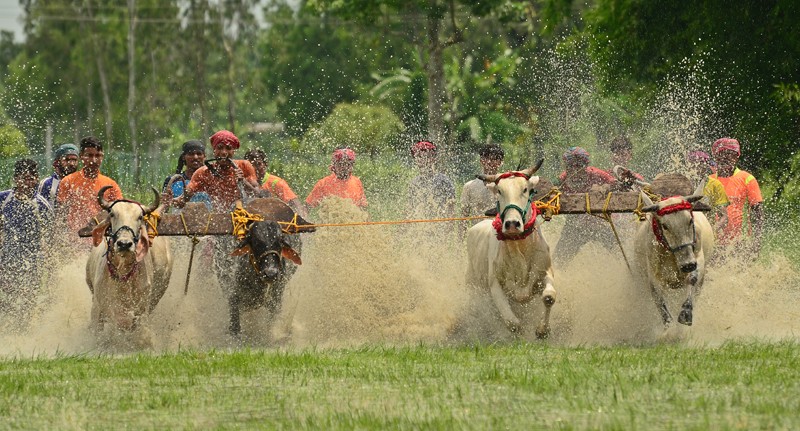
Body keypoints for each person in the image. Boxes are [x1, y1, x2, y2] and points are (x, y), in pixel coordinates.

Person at [0, 159, 53, 330]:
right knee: (7, 294)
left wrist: (49, 254)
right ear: (16, 179)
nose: (27, 183)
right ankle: (7, 326)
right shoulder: (4, 198)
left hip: (33, 258)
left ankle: (24, 328)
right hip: (7, 256)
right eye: (23, 178)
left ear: (37, 179)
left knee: (29, 295)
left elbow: (50, 232)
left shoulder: (41, 204)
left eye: (31, 178)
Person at [553, 146, 621, 267]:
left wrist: (604, 187)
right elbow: (550, 189)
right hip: (575, 227)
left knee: (621, 255)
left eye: (578, 166)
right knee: (557, 262)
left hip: (601, 224)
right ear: (566, 166)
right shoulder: (562, 179)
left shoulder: (596, 174)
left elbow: (616, 183)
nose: (575, 170)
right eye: (571, 166)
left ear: (586, 165)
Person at [178, 130, 260, 212]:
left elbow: (258, 195)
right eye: (220, 148)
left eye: (228, 148)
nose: (224, 152)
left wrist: (243, 181)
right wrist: (170, 200)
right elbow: (182, 201)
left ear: (234, 151)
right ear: (214, 150)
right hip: (217, 218)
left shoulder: (244, 166)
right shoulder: (203, 172)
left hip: (243, 216)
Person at [56, 136, 123, 233]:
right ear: (81, 156)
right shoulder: (68, 181)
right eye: (89, 155)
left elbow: (119, 211)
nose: (94, 160)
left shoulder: (110, 184)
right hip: (75, 237)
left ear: (102, 156)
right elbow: (61, 214)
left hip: (102, 238)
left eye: (98, 155)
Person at [709, 138, 764, 255]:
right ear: (716, 157)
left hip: (739, 243)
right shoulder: (710, 181)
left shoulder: (747, 178)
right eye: (722, 155)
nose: (727, 158)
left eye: (731, 155)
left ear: (737, 157)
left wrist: (756, 241)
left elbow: (757, 212)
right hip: (712, 243)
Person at [244, 148, 308, 218]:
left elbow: (295, 204)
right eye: (251, 165)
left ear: (265, 164)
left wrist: (302, 218)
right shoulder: (243, 183)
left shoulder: (277, 183)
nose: (255, 168)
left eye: (258, 164)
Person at [406, 140, 456, 219]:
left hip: (440, 225)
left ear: (433, 158)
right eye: (419, 156)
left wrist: (448, 229)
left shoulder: (444, 181)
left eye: (427, 156)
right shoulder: (414, 183)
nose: (423, 159)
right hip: (420, 226)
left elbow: (451, 210)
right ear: (415, 159)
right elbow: (409, 210)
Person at [460, 143, 503, 233]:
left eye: (493, 159)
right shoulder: (469, 187)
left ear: (500, 162)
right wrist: (460, 242)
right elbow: (463, 218)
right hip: (478, 235)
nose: (489, 162)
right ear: (481, 160)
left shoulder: (506, 186)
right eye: (486, 158)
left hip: (500, 235)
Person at [686, 150, 729, 237]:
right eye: (693, 163)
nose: (696, 167)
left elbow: (724, 217)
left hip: (707, 235)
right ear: (688, 166)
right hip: (686, 236)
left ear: (706, 166)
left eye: (700, 164)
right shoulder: (681, 184)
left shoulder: (715, 185)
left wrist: (711, 231)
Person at [162, 139, 211, 210]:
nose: (195, 157)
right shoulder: (173, 181)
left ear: (204, 156)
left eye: (199, 154)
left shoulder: (211, 179)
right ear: (183, 157)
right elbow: (165, 208)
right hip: (178, 220)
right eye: (191, 154)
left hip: (210, 220)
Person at [37, 143, 79, 208]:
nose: (71, 163)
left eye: (74, 160)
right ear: (56, 162)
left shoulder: (81, 183)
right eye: (67, 159)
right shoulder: (47, 183)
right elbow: (40, 211)